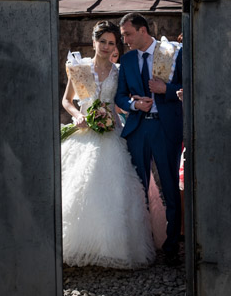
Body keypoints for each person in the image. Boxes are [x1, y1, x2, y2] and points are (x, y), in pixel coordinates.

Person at [60, 21, 155, 269]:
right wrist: (78, 115)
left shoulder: (119, 71)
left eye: (112, 43)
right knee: (81, 184)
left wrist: (133, 102)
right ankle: (81, 245)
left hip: (111, 132)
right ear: (94, 42)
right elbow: (67, 100)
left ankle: (114, 248)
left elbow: (120, 101)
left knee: (115, 188)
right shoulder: (79, 69)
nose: (106, 46)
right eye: (102, 41)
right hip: (84, 133)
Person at [115, 13, 184, 266]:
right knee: (138, 188)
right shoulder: (128, 59)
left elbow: (189, 84)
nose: (125, 40)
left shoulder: (174, 51)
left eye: (128, 34)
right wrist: (134, 104)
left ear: (143, 30)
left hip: (165, 129)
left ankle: (171, 246)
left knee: (169, 187)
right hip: (138, 130)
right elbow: (120, 96)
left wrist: (166, 89)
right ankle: (142, 244)